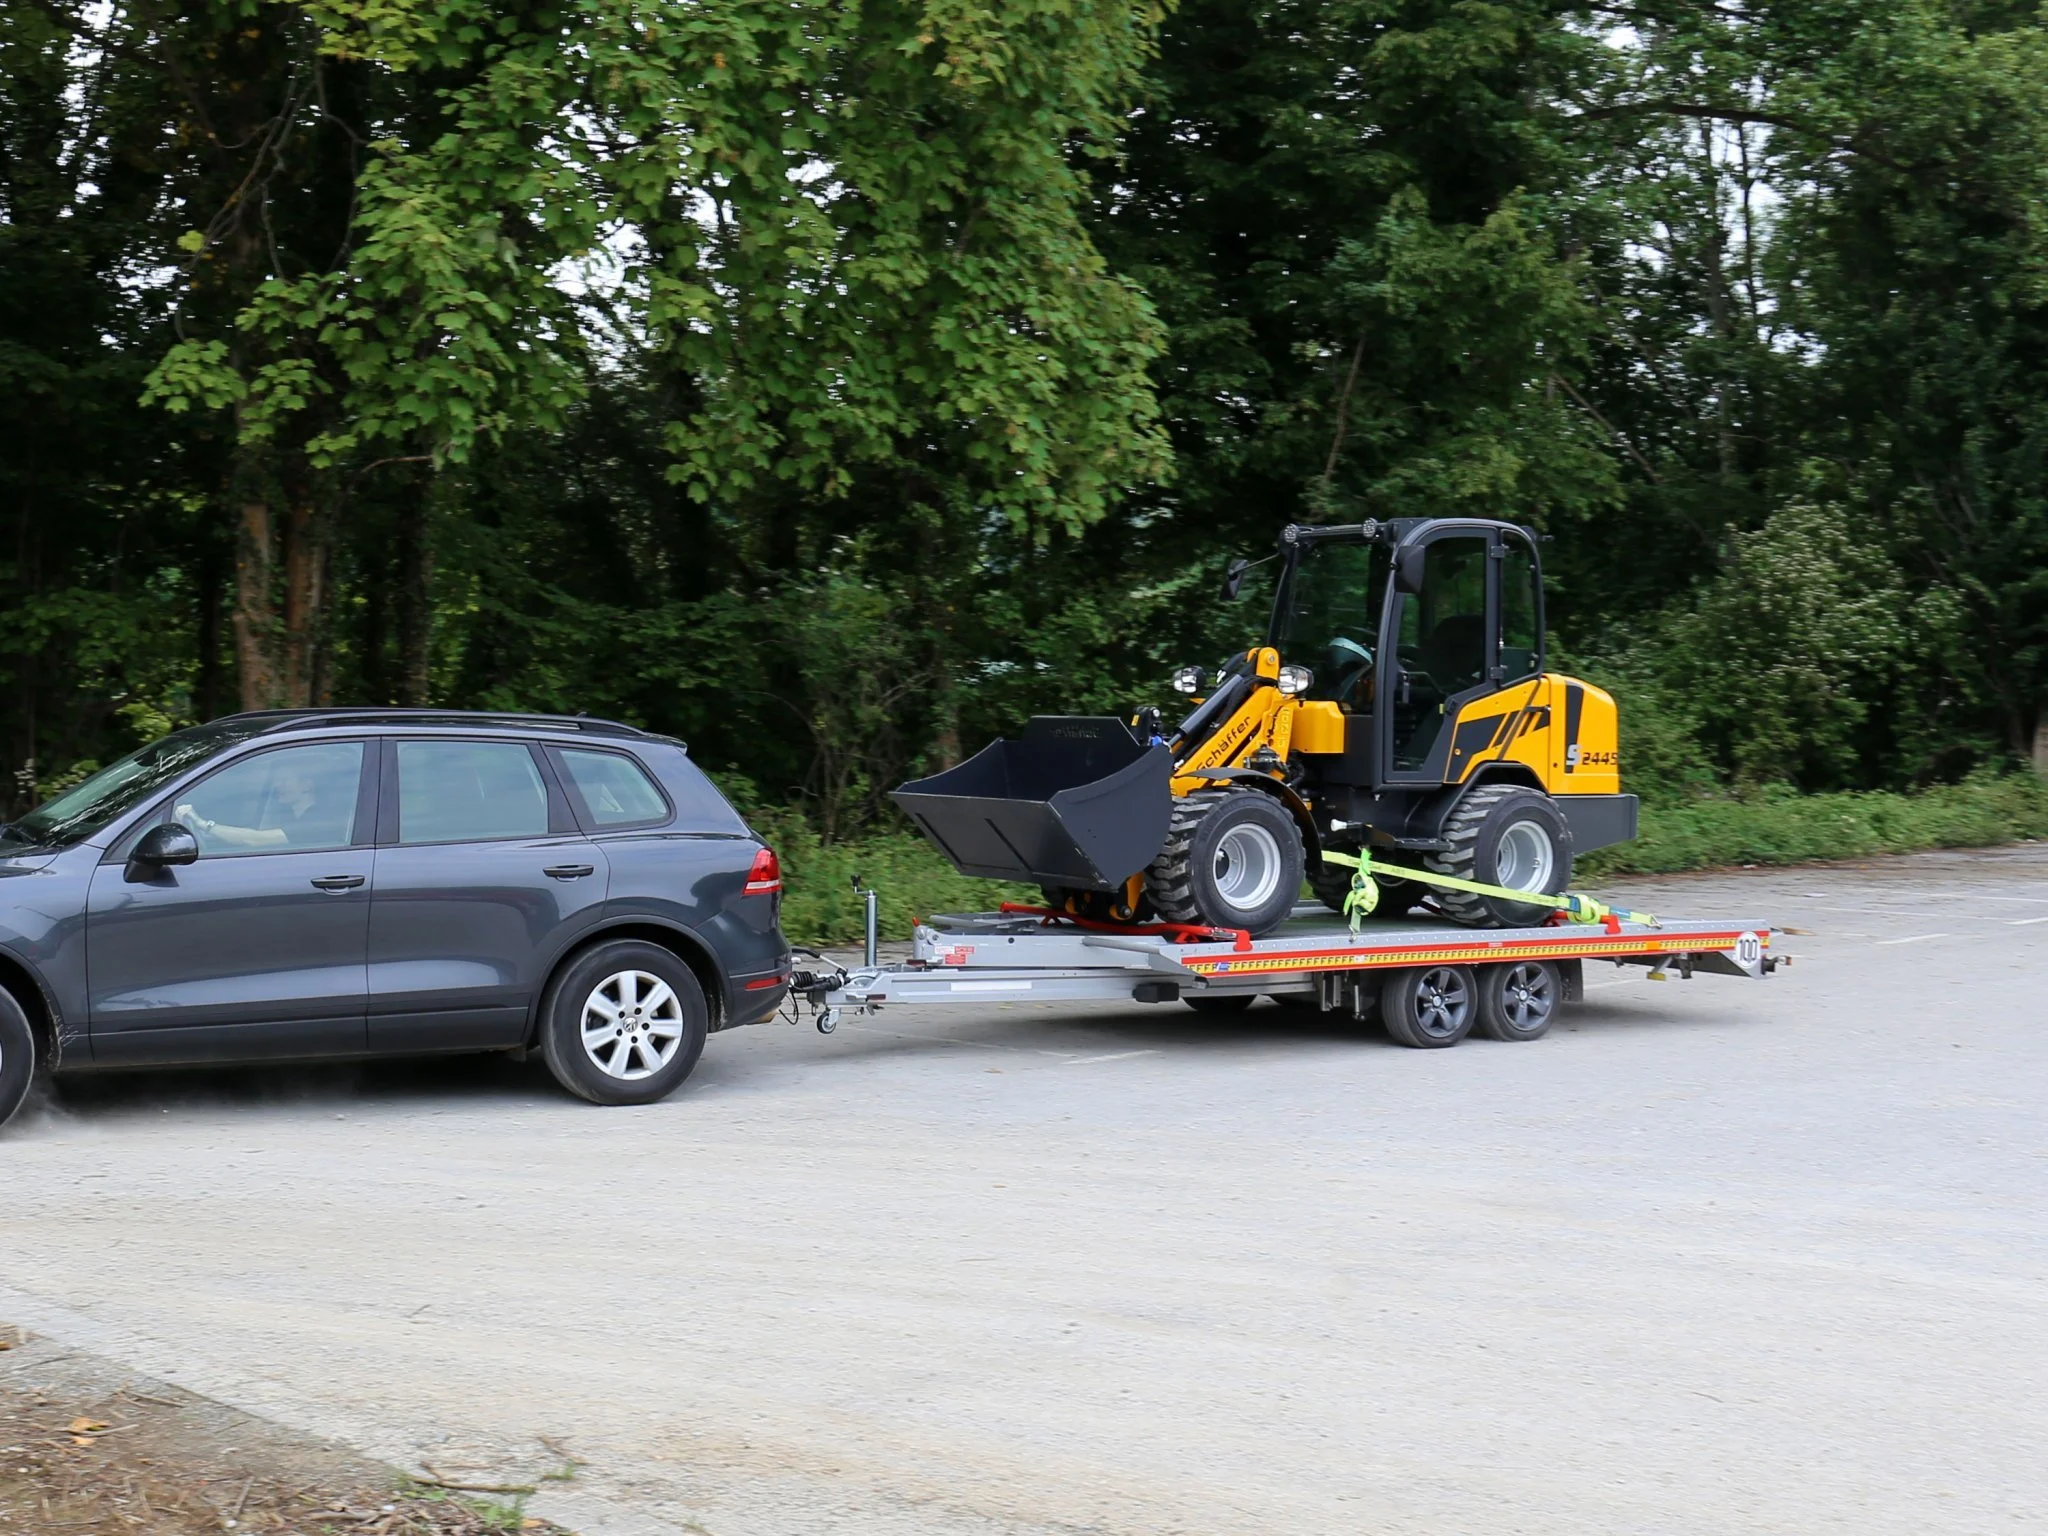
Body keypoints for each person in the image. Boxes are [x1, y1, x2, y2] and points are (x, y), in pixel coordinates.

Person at [175, 757, 352, 851]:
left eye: (285, 780)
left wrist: (203, 824)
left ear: (307, 785)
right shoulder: (291, 817)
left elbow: (253, 839)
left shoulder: (315, 821)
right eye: (277, 781)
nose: (278, 786)